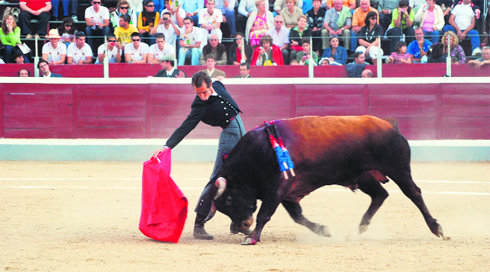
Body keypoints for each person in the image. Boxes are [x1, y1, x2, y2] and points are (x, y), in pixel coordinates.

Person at [151, 71, 246, 240]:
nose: (202, 97)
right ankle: (199, 224)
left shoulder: (218, 85)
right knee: (216, 177)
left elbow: (220, 83)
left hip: (242, 136)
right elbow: (185, 127)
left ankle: (238, 221)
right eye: (198, 93)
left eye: (204, 92)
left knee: (241, 178)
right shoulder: (199, 106)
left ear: (210, 86)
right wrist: (167, 146)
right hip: (229, 138)